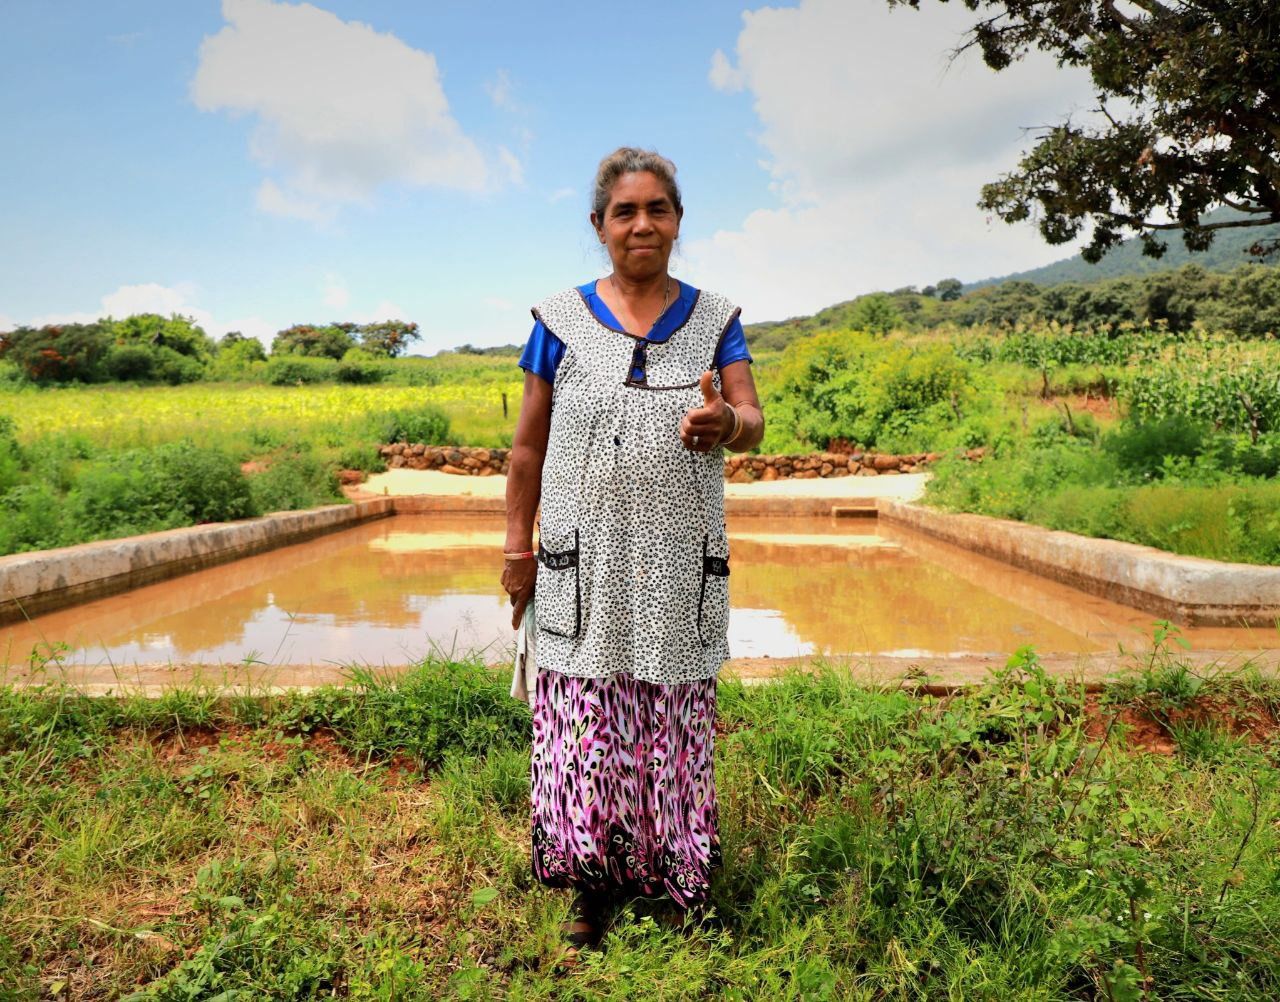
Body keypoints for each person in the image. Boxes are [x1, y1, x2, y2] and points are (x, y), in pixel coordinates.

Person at [501, 147, 764, 963]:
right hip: (584, 561)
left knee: (671, 719)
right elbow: (526, 447)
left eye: (657, 209)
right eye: (625, 211)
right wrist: (516, 544)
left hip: (678, 559)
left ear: (678, 221)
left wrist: (727, 423)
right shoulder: (557, 321)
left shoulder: (716, 318)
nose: (642, 224)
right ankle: (592, 882)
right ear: (599, 225)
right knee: (587, 723)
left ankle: (675, 877)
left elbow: (752, 420)